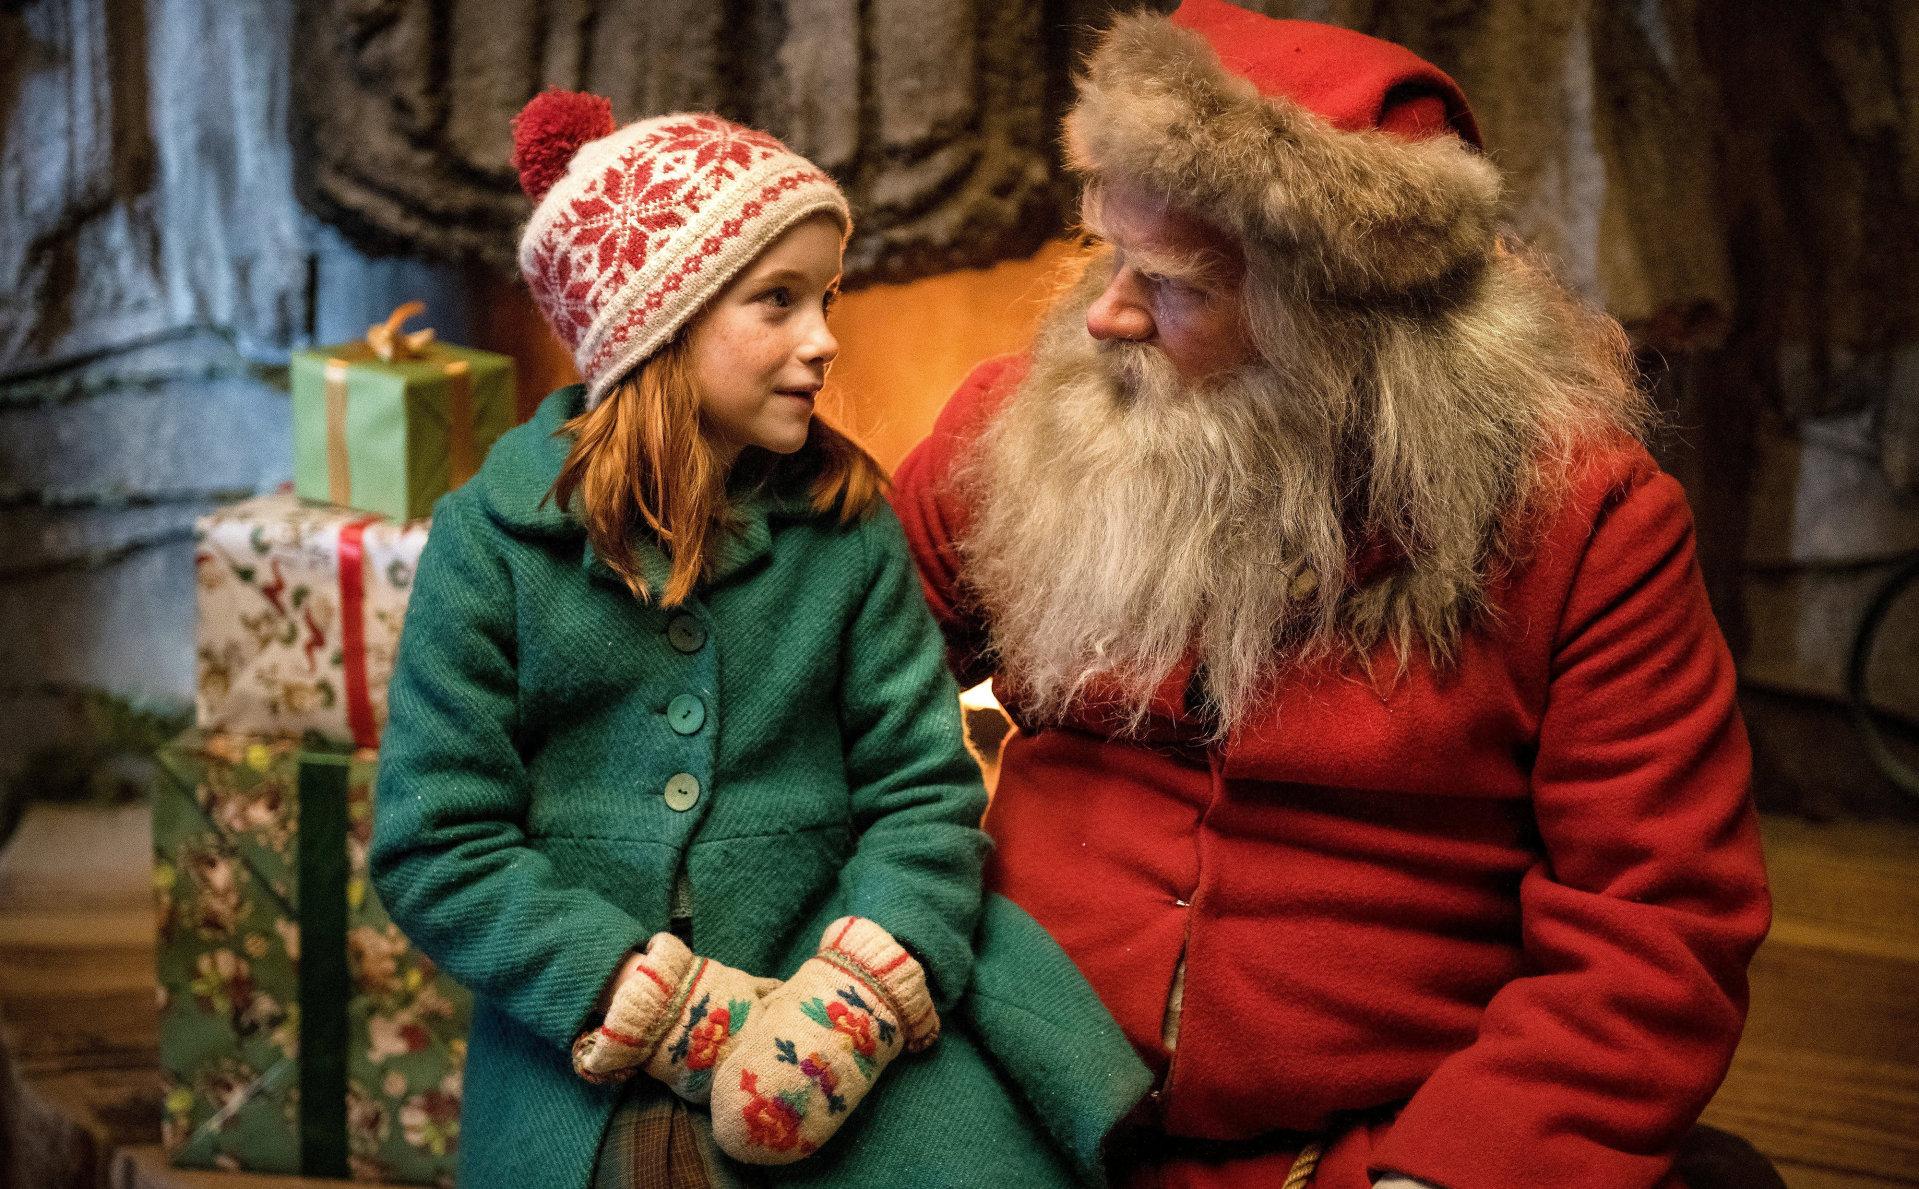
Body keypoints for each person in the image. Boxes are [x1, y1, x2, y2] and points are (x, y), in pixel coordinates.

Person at [889, 2, 1774, 1187]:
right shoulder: (1024, 427)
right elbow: (821, 679)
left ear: (1347, 334)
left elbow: (1653, 930)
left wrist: (1441, 1173)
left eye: (1174, 285)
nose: (1102, 315)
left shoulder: (1583, 522)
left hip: (1361, 1152)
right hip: (995, 1109)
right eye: (1109, 253)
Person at [370, 93, 1146, 1188]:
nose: (823, 340)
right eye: (775, 302)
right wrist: (652, 1001)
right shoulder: (491, 545)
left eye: (822, 297)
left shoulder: (845, 528)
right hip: (588, 1042)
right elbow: (436, 843)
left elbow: (921, 793)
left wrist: (854, 996)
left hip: (834, 979)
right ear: (655, 325)